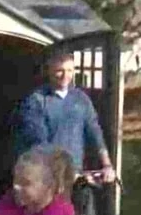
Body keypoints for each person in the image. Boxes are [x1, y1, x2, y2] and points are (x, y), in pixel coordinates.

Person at [12, 50, 116, 186]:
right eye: (59, 71)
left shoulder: (81, 99)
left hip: (76, 175)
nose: (65, 75)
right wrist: (62, 171)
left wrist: (107, 165)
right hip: (47, 177)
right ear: (49, 71)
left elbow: (94, 132)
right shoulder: (36, 101)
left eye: (69, 70)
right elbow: (39, 141)